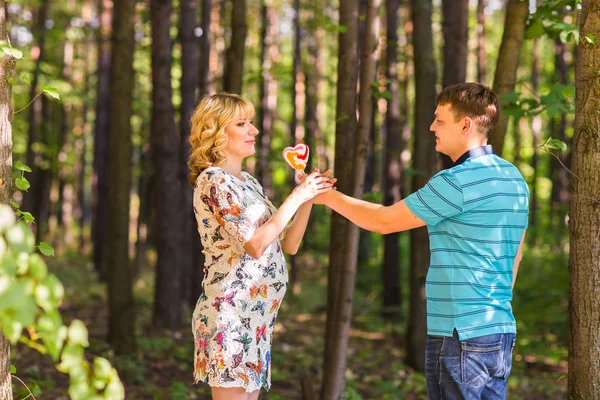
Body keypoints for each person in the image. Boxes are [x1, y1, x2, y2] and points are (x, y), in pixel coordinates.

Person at [315, 83, 529, 399]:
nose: (432, 127)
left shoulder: (455, 182)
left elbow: (383, 221)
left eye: (439, 120)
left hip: (460, 333)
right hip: (498, 329)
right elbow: (517, 253)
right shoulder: (513, 178)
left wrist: (324, 195)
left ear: (465, 125)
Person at [187, 93, 335, 400]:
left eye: (251, 122)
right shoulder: (214, 181)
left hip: (256, 316)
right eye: (242, 123)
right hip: (230, 314)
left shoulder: (249, 182)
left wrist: (307, 198)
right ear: (216, 131)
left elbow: (289, 244)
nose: (253, 130)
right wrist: (295, 197)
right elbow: (254, 245)